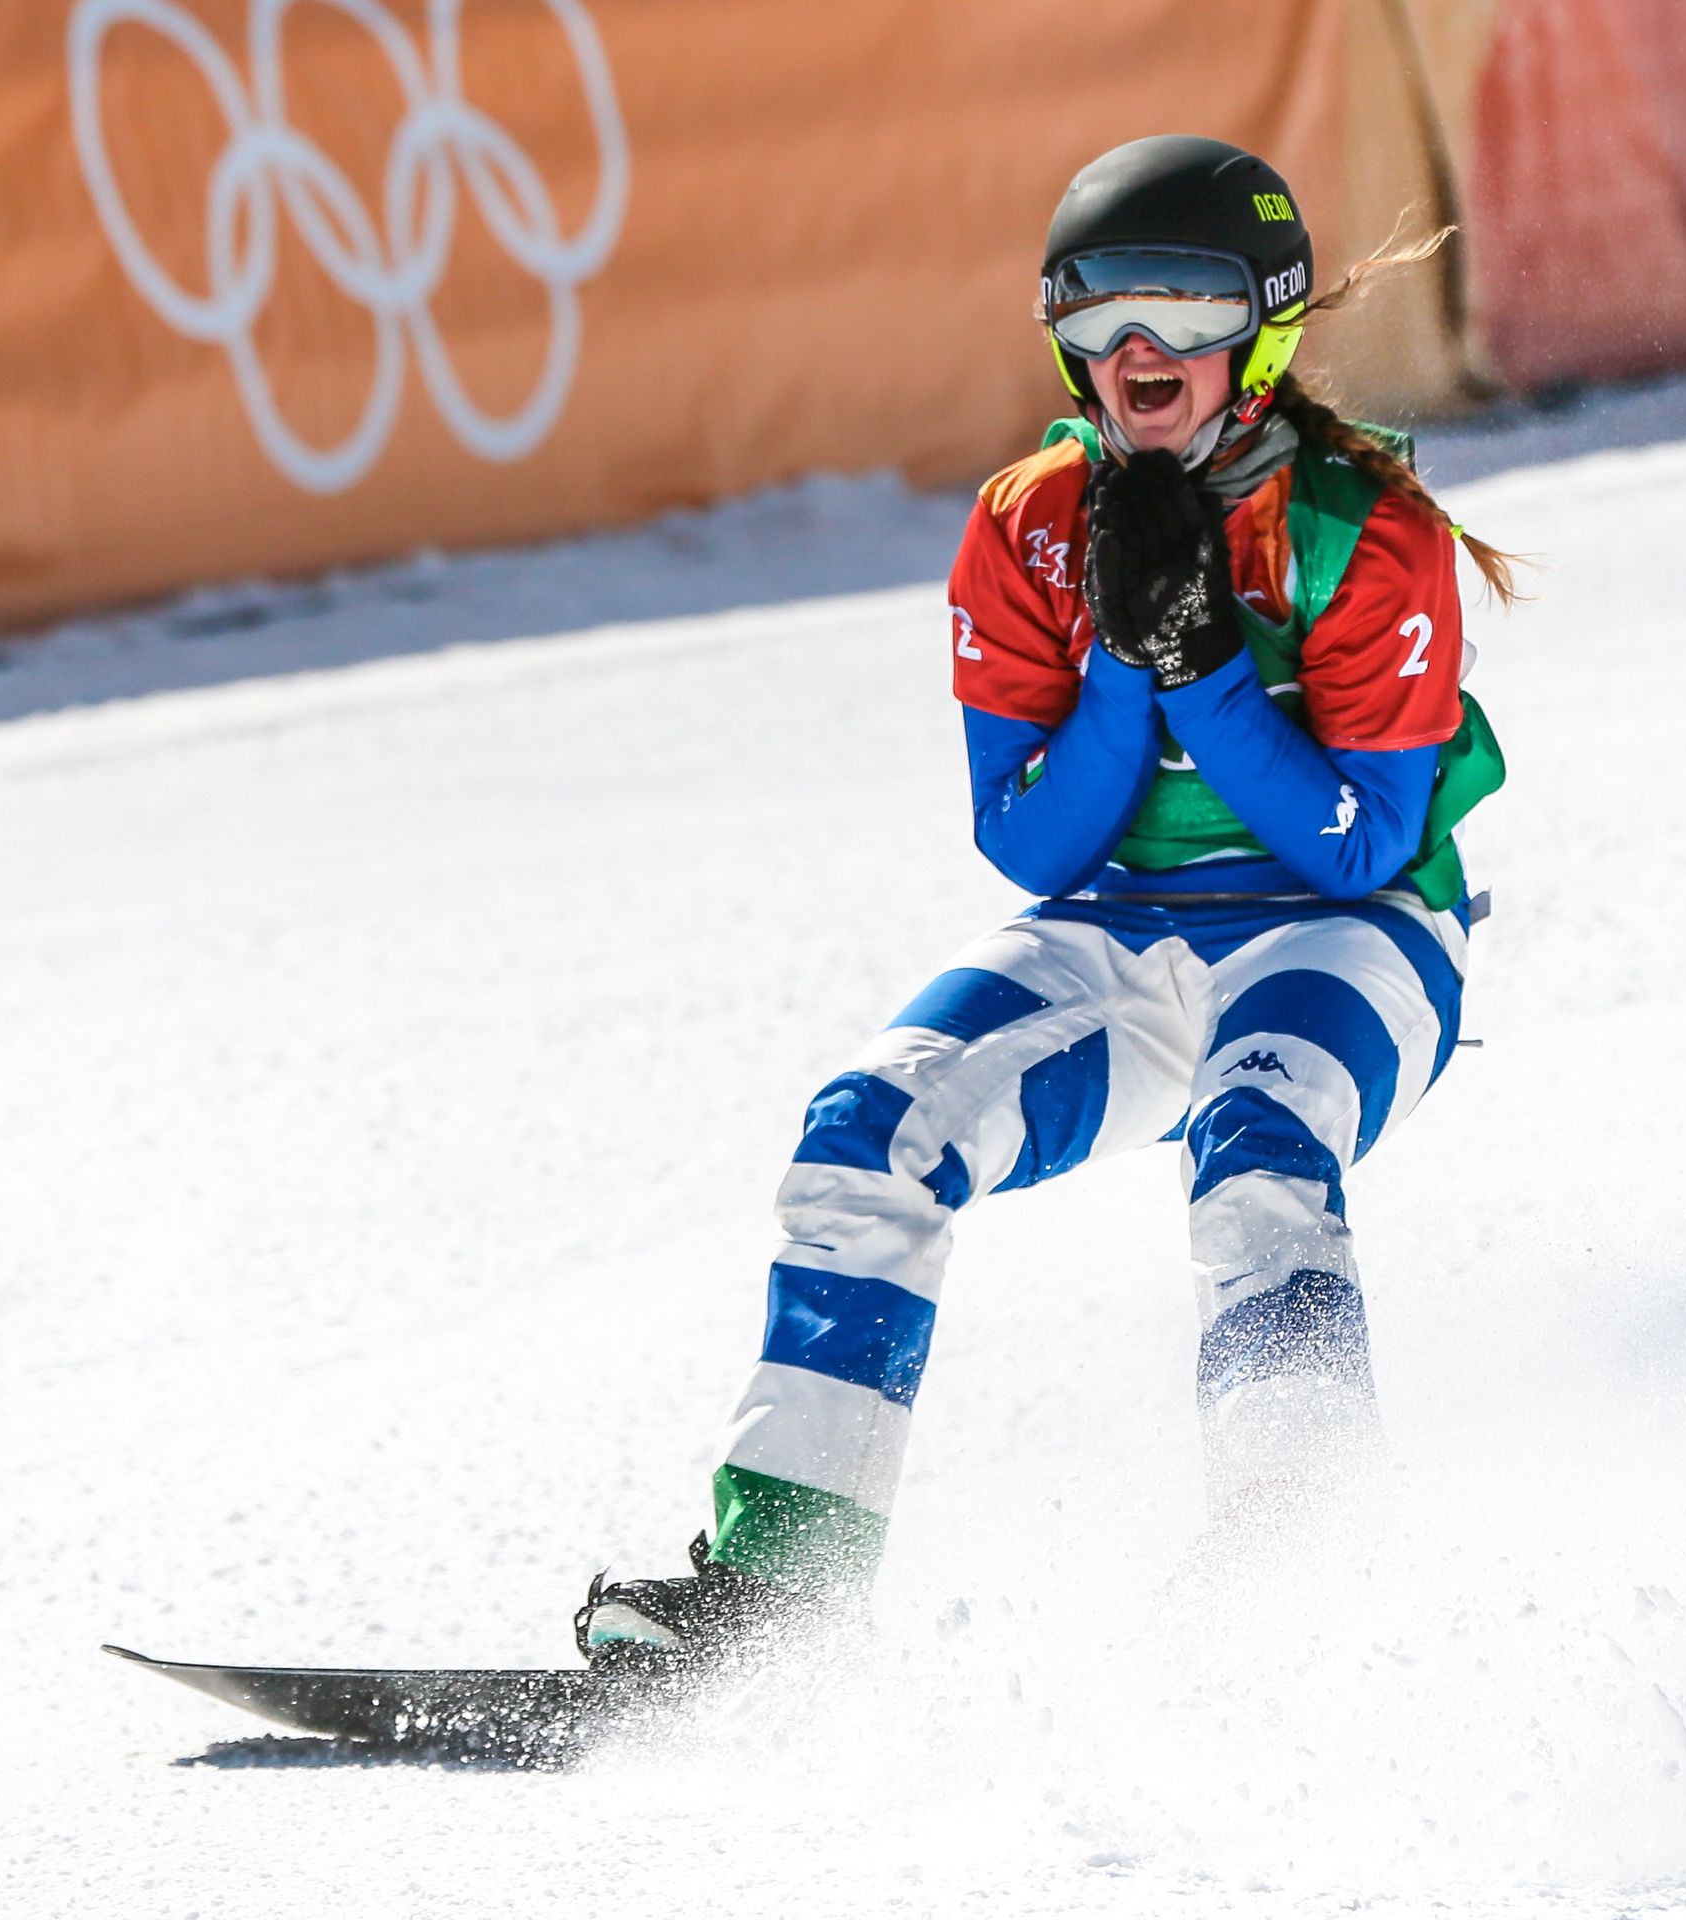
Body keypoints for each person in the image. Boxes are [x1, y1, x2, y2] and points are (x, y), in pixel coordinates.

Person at [575, 134, 1517, 1667]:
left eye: (1188, 312)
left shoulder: (1367, 530)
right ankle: (782, 1601)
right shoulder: (1027, 522)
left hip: (1358, 932)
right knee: (866, 1137)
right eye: (1098, 317)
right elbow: (1029, 845)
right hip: (1126, 925)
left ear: (1265, 328)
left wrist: (1206, 670)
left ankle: (1303, 1559)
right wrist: (1123, 667)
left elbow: (1356, 843)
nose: (1140, 354)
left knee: (1261, 1143)